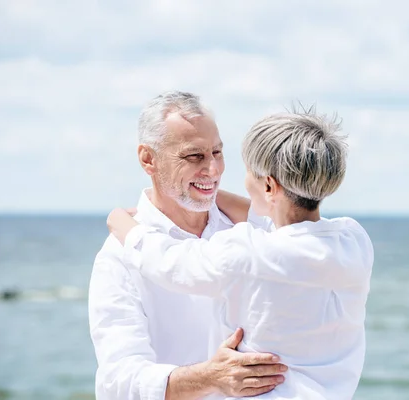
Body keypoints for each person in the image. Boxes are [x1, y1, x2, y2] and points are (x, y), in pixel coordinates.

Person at [107, 107, 375, 399]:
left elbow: (169, 263)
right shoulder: (355, 240)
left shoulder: (246, 253)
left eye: (249, 174)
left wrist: (120, 221)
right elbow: (283, 224)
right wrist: (203, 192)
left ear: (270, 185)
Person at [88, 91, 287, 400]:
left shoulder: (249, 229)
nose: (213, 169)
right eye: (194, 156)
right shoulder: (118, 257)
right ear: (148, 159)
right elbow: (120, 383)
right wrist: (210, 378)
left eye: (217, 153)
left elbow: (302, 234)